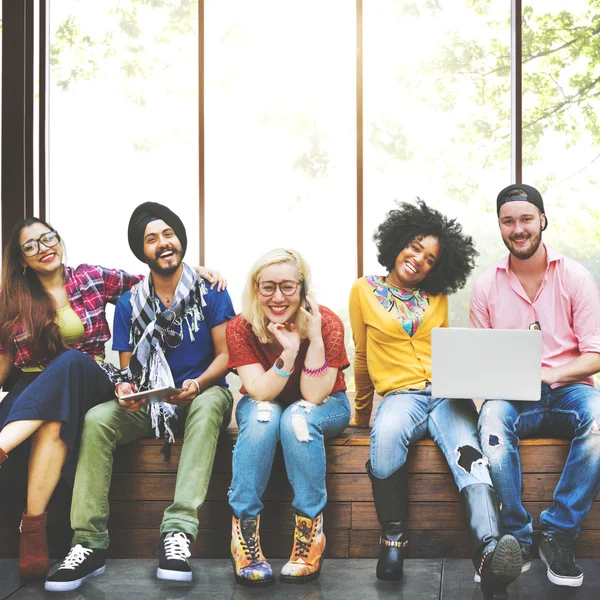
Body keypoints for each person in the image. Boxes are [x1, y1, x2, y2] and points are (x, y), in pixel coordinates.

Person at [44, 202, 235, 592]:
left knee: (213, 401)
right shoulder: (131, 302)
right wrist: (128, 391)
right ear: (141, 251)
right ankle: (88, 542)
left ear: (180, 240)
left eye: (168, 234)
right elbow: (131, 369)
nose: (163, 243)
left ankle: (178, 533)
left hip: (200, 394)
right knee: (98, 418)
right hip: (154, 404)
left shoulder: (210, 290)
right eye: (151, 239)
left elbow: (227, 355)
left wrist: (197, 383)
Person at [349, 200, 522, 595]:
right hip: (400, 395)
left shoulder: (437, 297)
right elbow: (361, 355)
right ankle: (392, 539)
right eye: (414, 247)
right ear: (397, 243)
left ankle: (490, 553)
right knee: (387, 433)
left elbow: (448, 350)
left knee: (471, 456)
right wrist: (361, 414)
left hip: (446, 394)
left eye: (430, 259)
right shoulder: (364, 290)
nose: (418, 260)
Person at [0, 217, 144, 581]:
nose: (43, 247)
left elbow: (152, 286)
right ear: (21, 259)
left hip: (91, 379)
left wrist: (197, 271)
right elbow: (3, 357)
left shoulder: (90, 277)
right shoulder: (11, 298)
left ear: (59, 241)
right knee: (52, 418)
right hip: (36, 390)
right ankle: (33, 532)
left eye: (48, 238)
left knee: (71, 360)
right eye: (30, 246)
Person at [472, 184, 600, 588]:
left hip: (568, 390)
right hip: (512, 396)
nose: (518, 228)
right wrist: (483, 400)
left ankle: (559, 532)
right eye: (508, 221)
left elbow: (596, 354)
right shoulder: (485, 285)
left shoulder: (575, 276)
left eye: (526, 219)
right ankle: (517, 536)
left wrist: (551, 375)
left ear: (542, 220)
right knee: (491, 418)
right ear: (500, 226)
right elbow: (479, 360)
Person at [226, 248, 350, 587]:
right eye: (268, 287)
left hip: (327, 402)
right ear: (255, 288)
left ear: (303, 288)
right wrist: (289, 351)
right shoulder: (240, 327)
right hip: (265, 398)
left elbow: (313, 395)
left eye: (287, 287)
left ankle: (310, 536)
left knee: (297, 417)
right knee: (265, 415)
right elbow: (259, 391)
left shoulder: (328, 322)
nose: (277, 297)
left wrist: (313, 338)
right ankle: (244, 536)